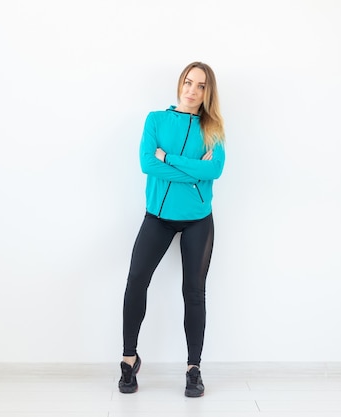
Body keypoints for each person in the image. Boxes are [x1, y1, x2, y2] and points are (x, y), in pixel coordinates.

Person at [118, 62, 226, 397]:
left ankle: (194, 368)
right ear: (181, 84)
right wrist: (194, 169)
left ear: (208, 92)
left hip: (198, 219)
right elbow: (146, 163)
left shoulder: (214, 128)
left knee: (194, 292)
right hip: (159, 216)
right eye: (189, 82)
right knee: (137, 280)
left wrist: (168, 159)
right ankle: (128, 359)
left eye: (201, 86)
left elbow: (215, 171)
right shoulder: (156, 119)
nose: (193, 90)